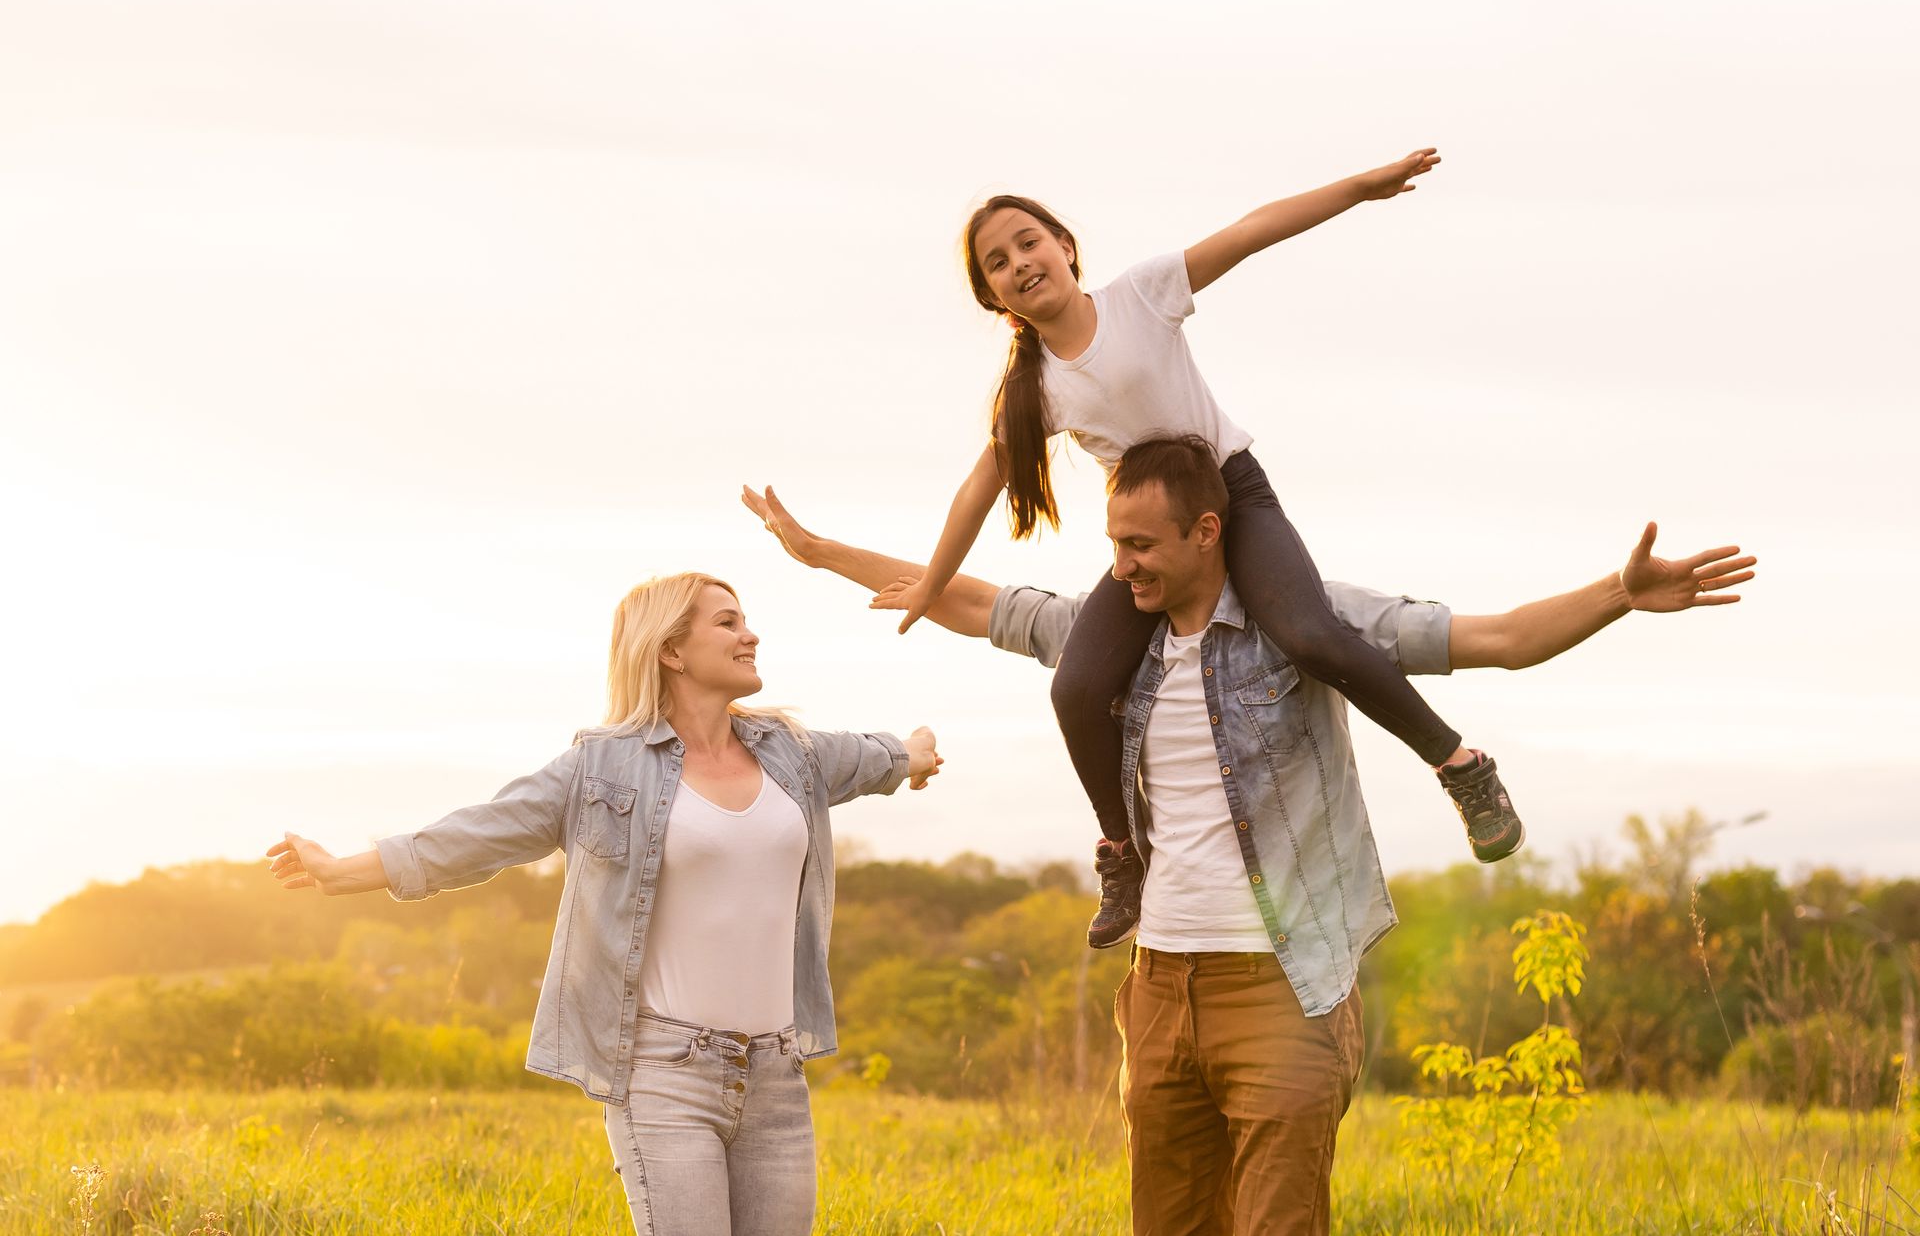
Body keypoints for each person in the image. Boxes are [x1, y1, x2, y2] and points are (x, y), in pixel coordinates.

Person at [742, 446, 1755, 1236]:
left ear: (1207, 531)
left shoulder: (1304, 621)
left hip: (1284, 984)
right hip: (1162, 986)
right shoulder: (1107, 635)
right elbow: (961, 596)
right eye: (1112, 543)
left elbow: (1495, 639)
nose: (1122, 566)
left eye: (1142, 545)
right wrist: (824, 552)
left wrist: (1620, 593)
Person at [867, 152, 1521, 951]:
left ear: (1065, 246)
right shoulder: (1031, 389)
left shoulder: (1142, 294)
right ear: (992, 295)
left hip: (1233, 499)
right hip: (1154, 544)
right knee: (1076, 687)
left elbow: (1249, 234)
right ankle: (1123, 853)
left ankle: (1461, 765)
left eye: (1027, 242)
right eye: (997, 264)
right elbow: (979, 491)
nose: (1019, 264)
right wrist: (930, 585)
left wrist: (1358, 189)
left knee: (1311, 634)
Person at [265, 572, 942, 1236]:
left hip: (776, 1076)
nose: (750, 634)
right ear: (671, 650)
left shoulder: (793, 753)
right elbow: (479, 833)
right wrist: (339, 870)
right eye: (728, 622)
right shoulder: (602, 767)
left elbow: (879, 756)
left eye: (745, 619)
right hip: (665, 1075)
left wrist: (916, 753)